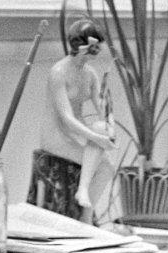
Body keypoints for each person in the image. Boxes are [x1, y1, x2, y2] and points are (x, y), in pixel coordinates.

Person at [37, 19, 115, 224]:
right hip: (56, 135)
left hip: (78, 136)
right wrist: (97, 138)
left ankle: (86, 215)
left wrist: (109, 127)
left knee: (107, 166)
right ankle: (82, 192)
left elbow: (102, 109)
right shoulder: (59, 72)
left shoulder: (90, 74)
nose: (95, 51)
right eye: (92, 46)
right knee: (99, 150)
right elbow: (66, 118)